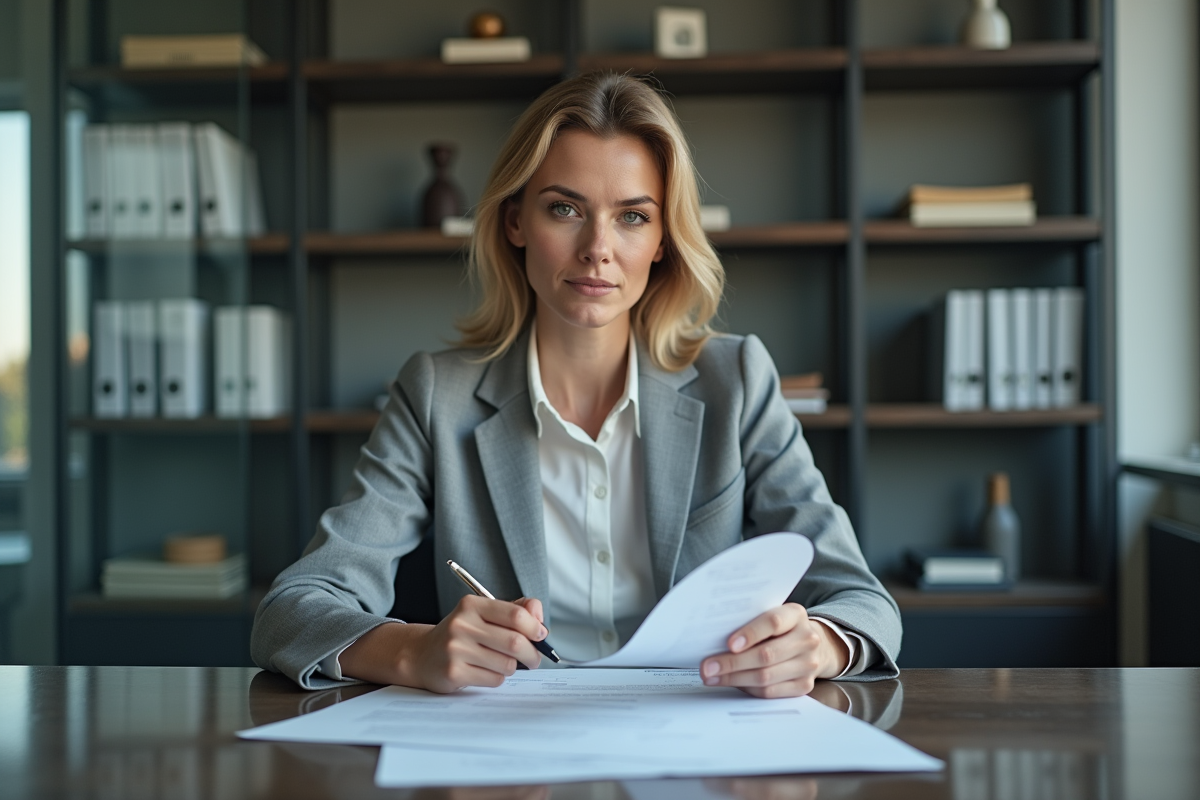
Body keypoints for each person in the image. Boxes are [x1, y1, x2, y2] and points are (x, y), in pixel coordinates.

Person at [251, 72, 901, 697]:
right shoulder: (434, 394)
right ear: (515, 223)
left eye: (632, 217)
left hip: (695, 737)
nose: (597, 248)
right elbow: (292, 609)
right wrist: (411, 649)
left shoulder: (736, 382)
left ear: (664, 242)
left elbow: (863, 601)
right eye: (565, 208)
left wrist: (818, 644)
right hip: (511, 754)